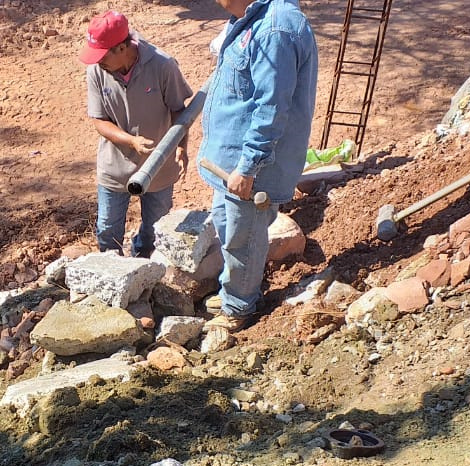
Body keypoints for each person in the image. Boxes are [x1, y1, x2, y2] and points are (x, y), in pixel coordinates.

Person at [198, 0, 318, 330]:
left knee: (244, 236)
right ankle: (235, 290)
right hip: (230, 161)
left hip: (251, 167)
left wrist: (249, 166)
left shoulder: (275, 30)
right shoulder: (251, 19)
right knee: (227, 225)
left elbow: (271, 109)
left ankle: (239, 307)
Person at [82, 9, 194, 258]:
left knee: (155, 231)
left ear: (122, 48)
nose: (97, 61)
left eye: (102, 55)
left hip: (158, 167)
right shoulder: (96, 71)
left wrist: (181, 146)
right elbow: (100, 121)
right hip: (115, 168)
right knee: (107, 230)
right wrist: (131, 141)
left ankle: (143, 266)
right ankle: (111, 269)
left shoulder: (163, 65)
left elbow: (179, 110)